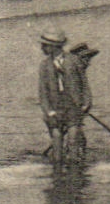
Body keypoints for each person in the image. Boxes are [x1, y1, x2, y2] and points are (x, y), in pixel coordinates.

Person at [37, 29, 89, 165]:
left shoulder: (74, 61)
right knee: (57, 142)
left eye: (45, 45)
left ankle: (75, 175)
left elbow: (84, 84)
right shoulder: (44, 66)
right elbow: (43, 92)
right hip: (55, 108)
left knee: (73, 141)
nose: (42, 48)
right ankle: (58, 175)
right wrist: (48, 111)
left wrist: (86, 103)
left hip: (73, 106)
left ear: (54, 46)